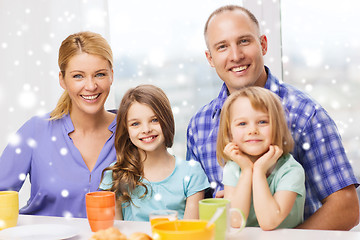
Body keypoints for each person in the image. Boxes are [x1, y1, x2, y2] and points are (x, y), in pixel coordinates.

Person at [186, 5, 359, 230]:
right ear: (210, 58)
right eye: (222, 47)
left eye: (244, 41)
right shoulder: (199, 125)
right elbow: (194, 207)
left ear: (263, 44)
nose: (236, 56)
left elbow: (345, 208)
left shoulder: (306, 114)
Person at [0, 31, 116, 218]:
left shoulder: (131, 132)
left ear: (111, 75)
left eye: (100, 74)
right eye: (78, 76)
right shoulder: (35, 131)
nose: (91, 86)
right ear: (62, 79)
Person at [100, 84, 209, 221]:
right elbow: (115, 233)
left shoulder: (191, 173)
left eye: (154, 120)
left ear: (167, 121)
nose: (146, 129)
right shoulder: (115, 175)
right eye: (135, 124)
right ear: (126, 130)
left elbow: (190, 231)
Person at [218, 86, 305, 230]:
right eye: (242, 123)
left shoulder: (291, 171)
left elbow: (269, 222)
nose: (253, 130)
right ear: (230, 133)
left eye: (262, 122)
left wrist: (258, 171)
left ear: (278, 127)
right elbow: (235, 221)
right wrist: (247, 170)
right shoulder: (233, 168)